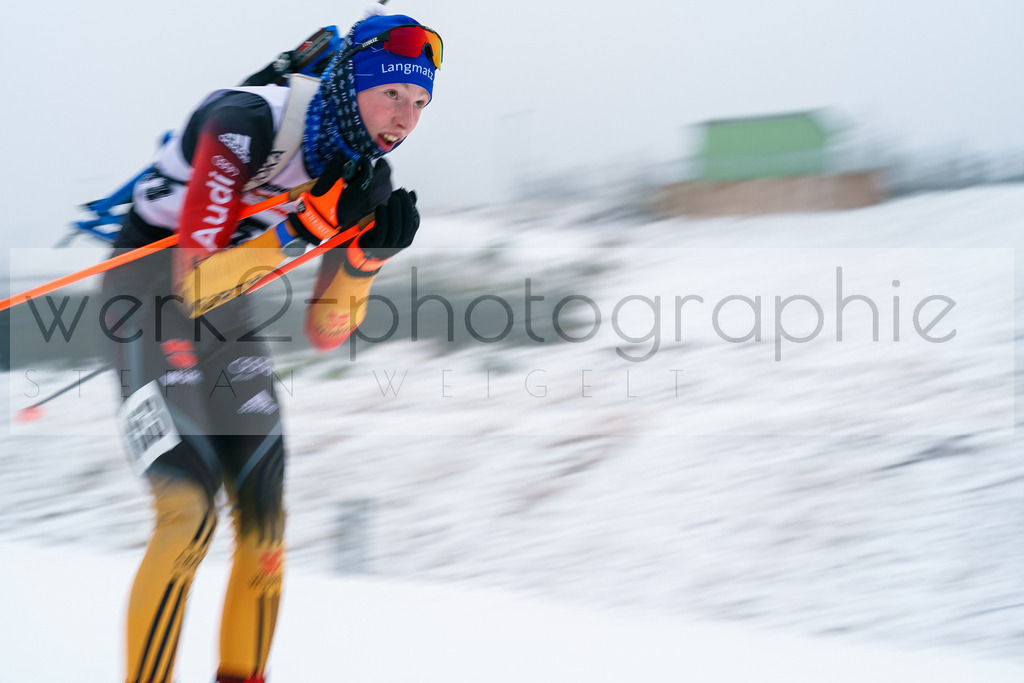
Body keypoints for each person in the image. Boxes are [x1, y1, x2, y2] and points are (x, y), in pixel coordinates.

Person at [99, 10, 443, 683]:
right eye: (392, 93)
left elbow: (326, 331)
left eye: (421, 102)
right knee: (189, 513)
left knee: (264, 530)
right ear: (352, 83)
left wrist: (367, 261)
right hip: (145, 292)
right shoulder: (244, 120)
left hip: (224, 309)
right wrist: (307, 227)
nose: (404, 117)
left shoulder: (365, 180)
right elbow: (190, 282)